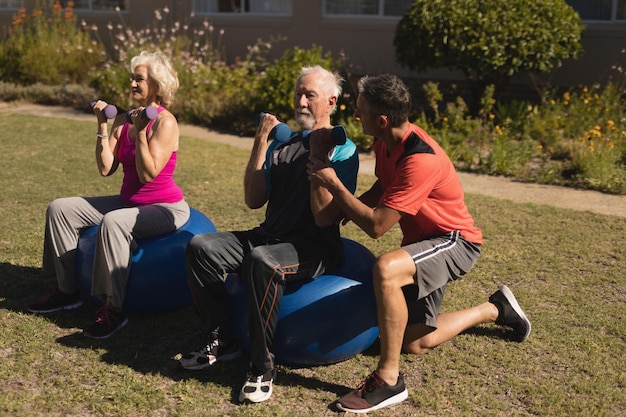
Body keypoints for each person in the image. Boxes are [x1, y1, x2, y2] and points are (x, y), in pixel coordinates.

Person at [307, 73, 532, 413]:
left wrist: (337, 187)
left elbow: (379, 226)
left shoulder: (419, 159)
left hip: (454, 241)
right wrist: (345, 211)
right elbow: (384, 189)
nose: (355, 115)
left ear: (381, 120)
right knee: (416, 342)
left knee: (386, 268)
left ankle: (388, 380)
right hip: (422, 242)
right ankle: (496, 308)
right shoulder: (386, 143)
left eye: (360, 110)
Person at [181, 65, 359, 404]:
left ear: (331, 101)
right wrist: (261, 141)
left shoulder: (344, 149)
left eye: (310, 95)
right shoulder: (285, 144)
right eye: (298, 94)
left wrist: (320, 157)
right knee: (201, 247)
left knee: (262, 260)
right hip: (270, 234)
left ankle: (263, 366)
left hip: (314, 246)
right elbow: (253, 199)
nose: (301, 101)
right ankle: (222, 337)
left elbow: (324, 219)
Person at [28, 50, 190, 339]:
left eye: (139, 79)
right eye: (132, 78)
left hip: (164, 208)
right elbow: (106, 168)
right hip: (128, 202)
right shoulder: (125, 120)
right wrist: (103, 125)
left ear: (156, 83)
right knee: (60, 208)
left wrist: (141, 133)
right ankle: (67, 291)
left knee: (114, 222)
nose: (132, 84)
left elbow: (148, 174)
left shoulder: (166, 123)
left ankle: (114, 309)